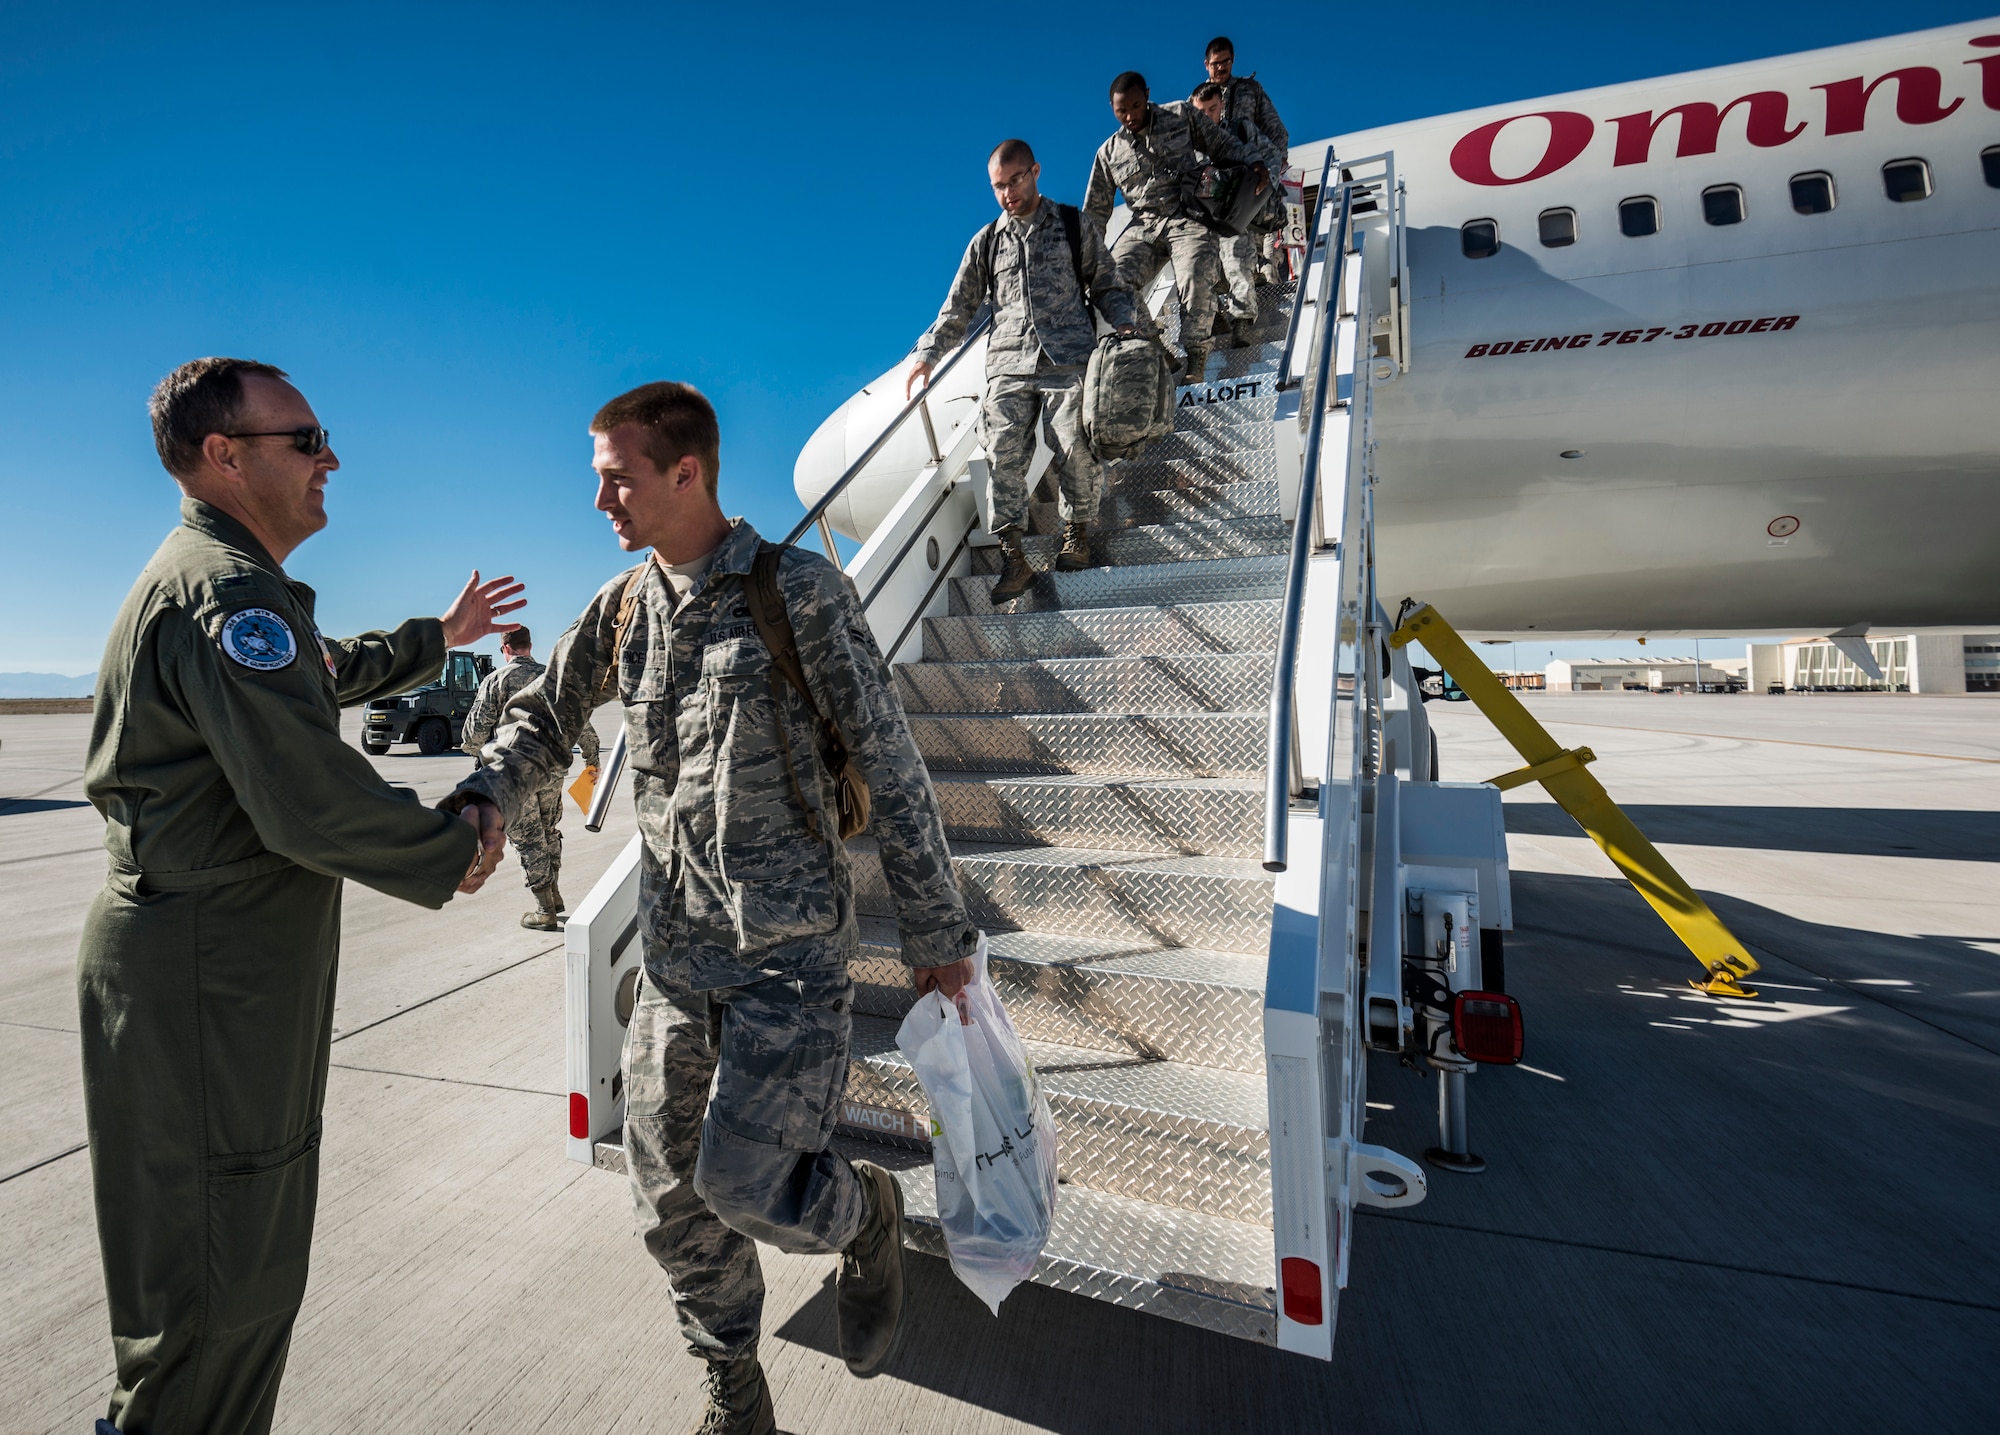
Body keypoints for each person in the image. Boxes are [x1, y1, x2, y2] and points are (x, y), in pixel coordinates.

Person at [449, 381, 979, 1435]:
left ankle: (865, 1210)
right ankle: (735, 1391)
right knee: (665, 1193)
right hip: (679, 962)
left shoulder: (799, 593)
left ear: (684, 472)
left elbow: (888, 758)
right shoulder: (620, 609)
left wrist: (935, 931)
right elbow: (544, 721)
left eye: (616, 477)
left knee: (746, 1182)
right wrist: (478, 799)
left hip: (788, 959)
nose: (601, 500)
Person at [79, 357, 521, 1435]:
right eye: (305, 437)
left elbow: (319, 670)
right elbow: (306, 801)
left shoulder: (236, 585)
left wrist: (435, 640)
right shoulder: (222, 593)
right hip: (207, 978)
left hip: (218, 971)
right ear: (224, 456)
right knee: (215, 1287)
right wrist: (450, 842)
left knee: (230, 1260)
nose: (332, 458)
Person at [907, 138, 1138, 600]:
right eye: (999, 186)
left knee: (1077, 444)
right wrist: (928, 353)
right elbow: (959, 306)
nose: (1008, 192)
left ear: (1035, 171)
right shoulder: (987, 242)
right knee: (1001, 456)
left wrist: (1128, 324)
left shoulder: (1074, 225)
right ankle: (1014, 561)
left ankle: (1077, 534)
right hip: (1009, 366)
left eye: (1016, 180)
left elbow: (1108, 283)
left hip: (1068, 356)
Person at [1085, 71, 1268, 383]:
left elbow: (1220, 143)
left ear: (1147, 96)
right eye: (1121, 111)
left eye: (1136, 106)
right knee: (1113, 283)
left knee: (1195, 276)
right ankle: (1157, 350)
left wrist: (1255, 162)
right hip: (1144, 222)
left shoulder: (1179, 116)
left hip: (1188, 214)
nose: (1130, 115)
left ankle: (1196, 358)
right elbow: (1095, 213)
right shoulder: (1108, 152)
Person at [461, 624, 600, 929]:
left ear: (505, 649)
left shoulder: (495, 681)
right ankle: (554, 894)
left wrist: (481, 753)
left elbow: (472, 736)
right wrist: (591, 756)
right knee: (549, 831)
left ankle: (544, 909)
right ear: (530, 645)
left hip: (512, 774)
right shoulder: (551, 678)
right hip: (551, 770)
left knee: (527, 839)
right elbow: (580, 724)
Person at [1191, 79, 1286, 348]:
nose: (1207, 115)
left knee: (1236, 257)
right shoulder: (1187, 143)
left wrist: (1264, 188)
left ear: (1221, 106)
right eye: (1201, 111)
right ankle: (1216, 317)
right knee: (1199, 268)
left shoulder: (1239, 130)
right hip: (1203, 218)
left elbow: (1270, 156)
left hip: (1236, 214)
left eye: (1212, 109)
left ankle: (1242, 322)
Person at [1204, 37, 1292, 285]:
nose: (1220, 68)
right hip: (1218, 179)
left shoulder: (1249, 90)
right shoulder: (1201, 98)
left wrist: (1275, 167)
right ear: (1206, 64)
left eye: (1226, 62)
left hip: (1251, 173)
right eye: (1215, 63)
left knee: (1254, 231)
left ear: (1233, 61)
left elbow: (1276, 129)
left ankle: (1260, 280)